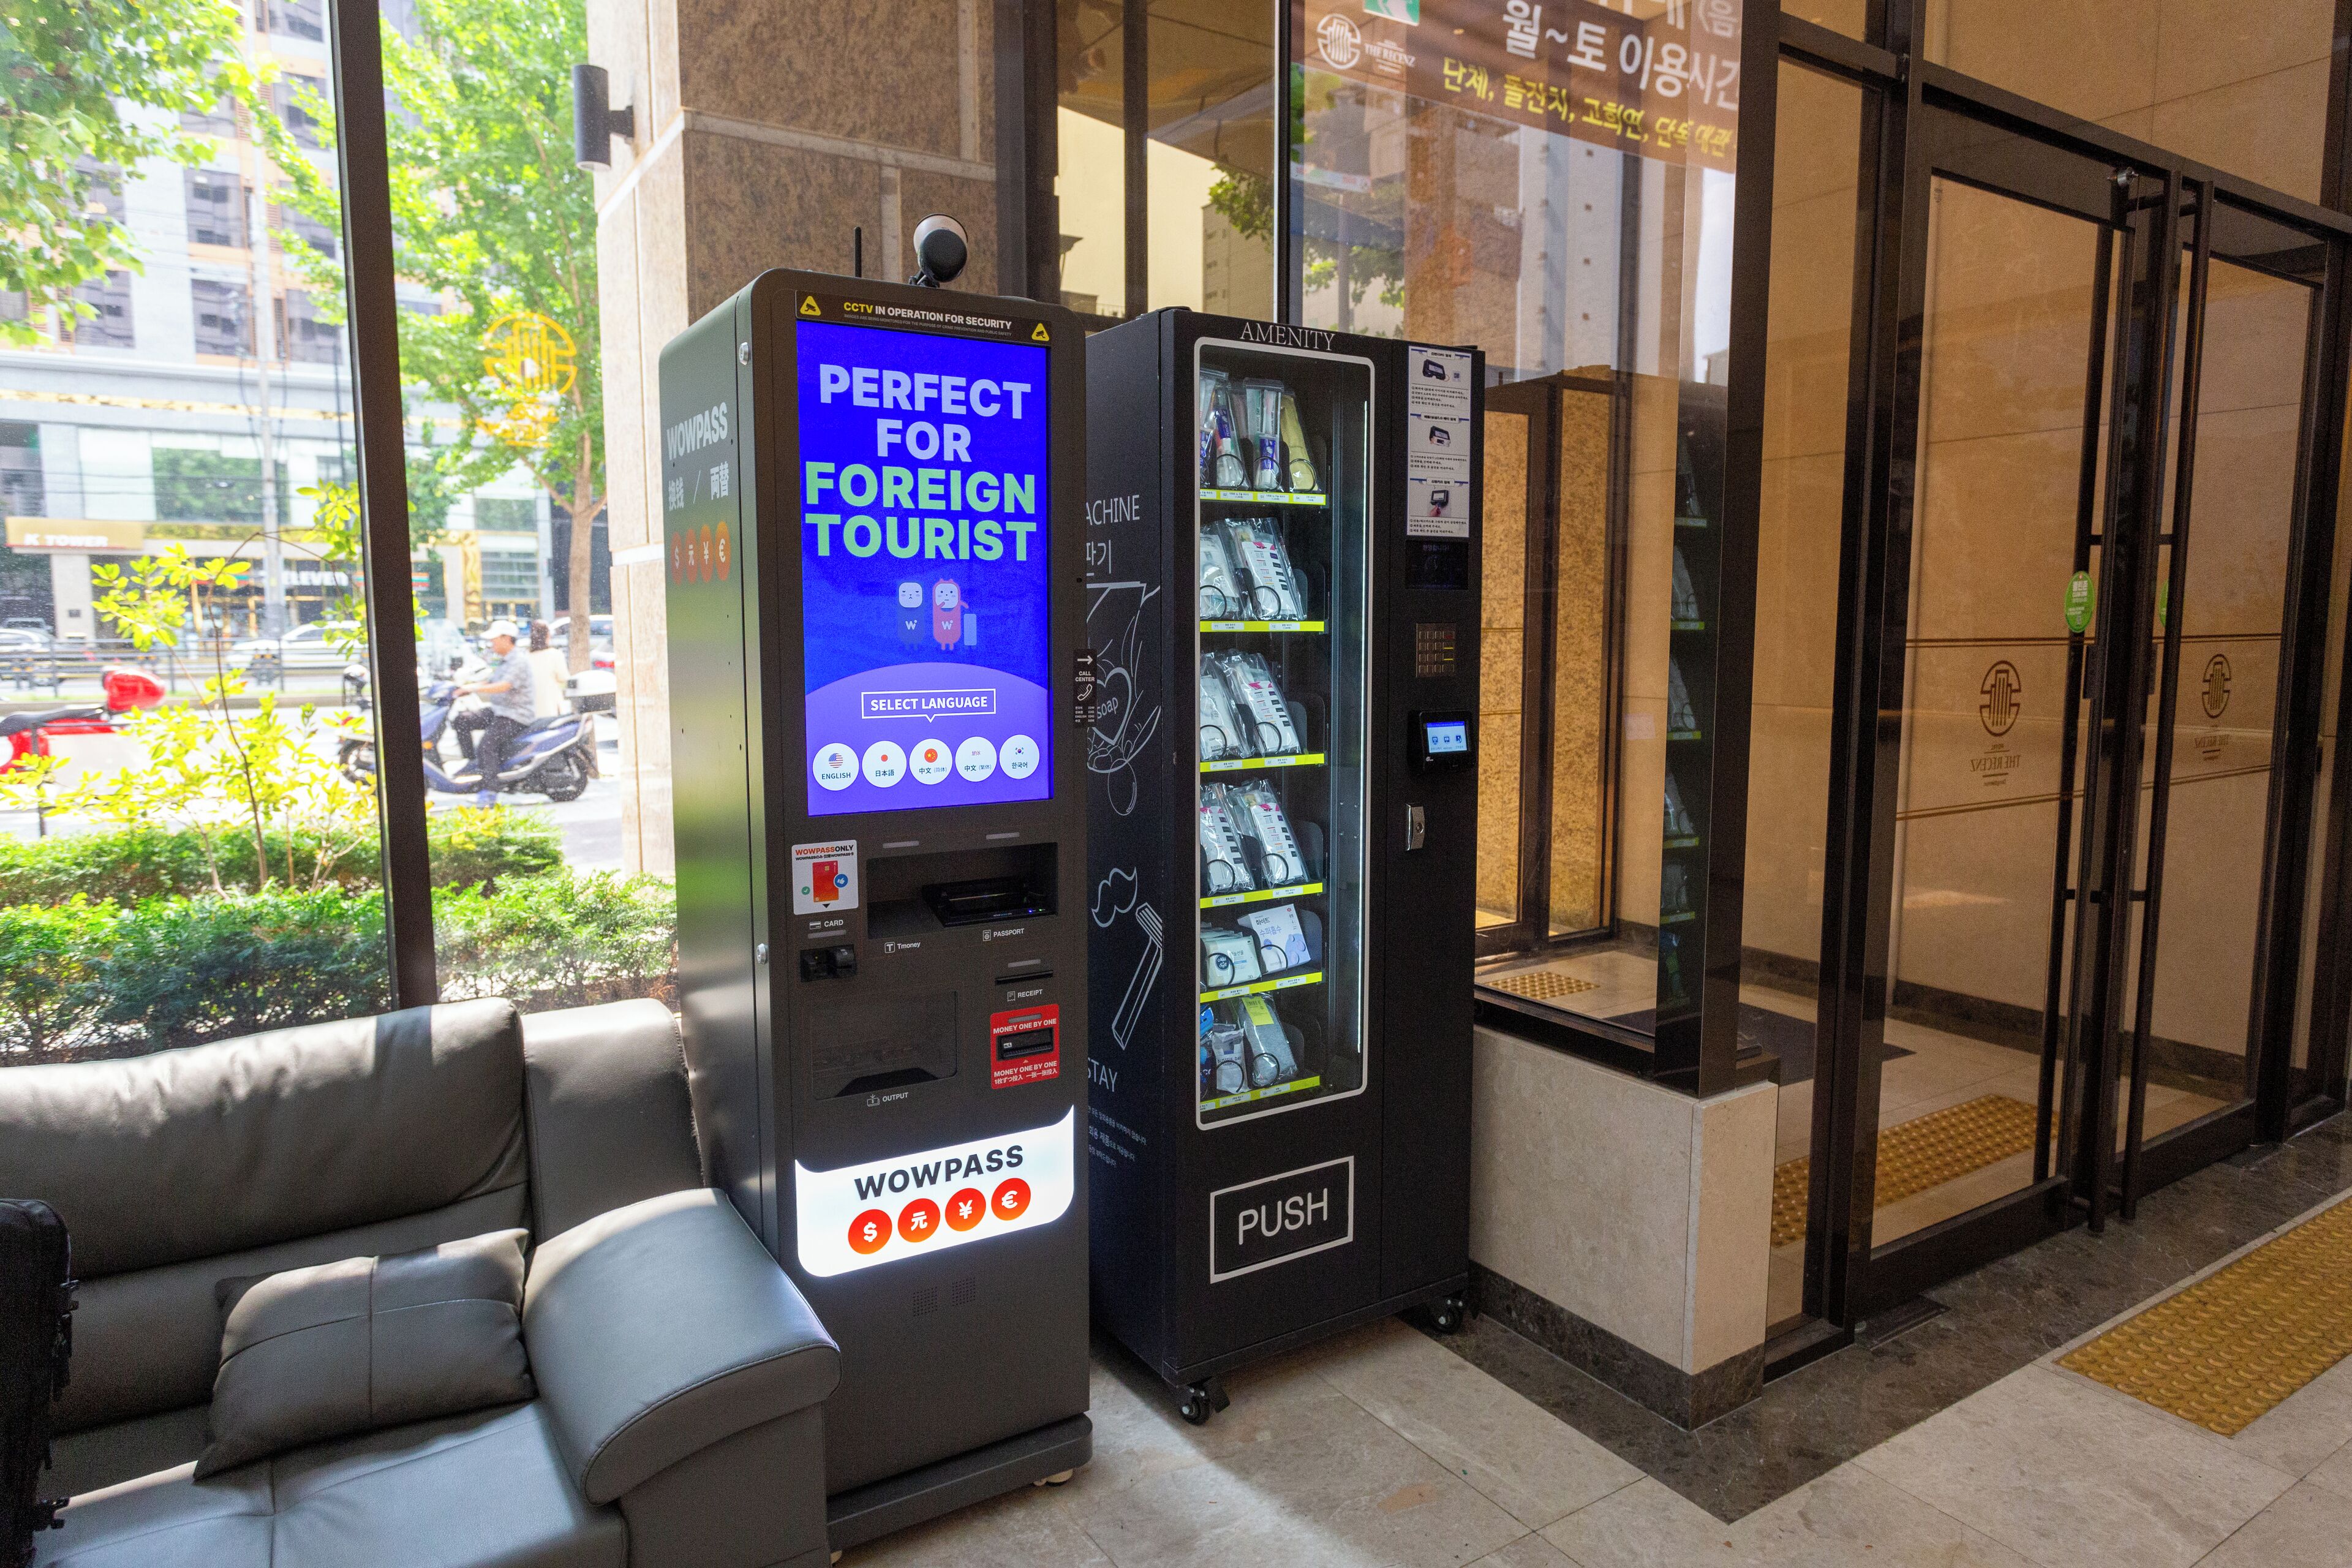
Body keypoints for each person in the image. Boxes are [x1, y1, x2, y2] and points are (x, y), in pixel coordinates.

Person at [459, 620, 535, 807]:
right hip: (499, 711)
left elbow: (504, 686)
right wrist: (465, 687)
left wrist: (474, 688)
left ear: (506, 639)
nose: (491, 644)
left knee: (487, 745)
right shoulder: (504, 661)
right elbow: (490, 681)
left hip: (515, 715)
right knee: (462, 720)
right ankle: (475, 766)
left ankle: (490, 792)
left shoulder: (519, 661)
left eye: (494, 640)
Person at [526, 619, 567, 719]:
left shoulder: (526, 656)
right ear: (548, 635)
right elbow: (563, 678)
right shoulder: (555, 654)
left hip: (531, 709)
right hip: (551, 706)